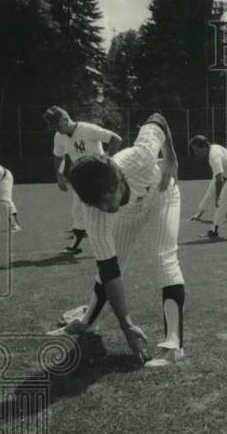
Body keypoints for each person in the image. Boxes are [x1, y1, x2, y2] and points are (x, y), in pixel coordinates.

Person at [49, 113, 185, 368]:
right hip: (131, 212)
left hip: (162, 192)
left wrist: (171, 159)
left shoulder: (139, 157)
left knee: (164, 257)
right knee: (114, 263)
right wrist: (126, 325)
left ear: (117, 182)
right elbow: (110, 270)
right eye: (98, 204)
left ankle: (174, 346)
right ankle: (88, 322)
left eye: (108, 199)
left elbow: (157, 118)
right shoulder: (96, 212)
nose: (106, 208)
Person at [45, 106, 122, 254]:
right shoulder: (59, 137)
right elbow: (58, 156)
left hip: (100, 175)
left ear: (65, 119)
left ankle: (116, 240)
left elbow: (115, 139)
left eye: (58, 125)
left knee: (106, 208)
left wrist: (105, 160)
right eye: (54, 127)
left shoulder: (88, 129)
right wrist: (59, 176)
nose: (57, 129)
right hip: (80, 177)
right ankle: (76, 245)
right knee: (78, 211)